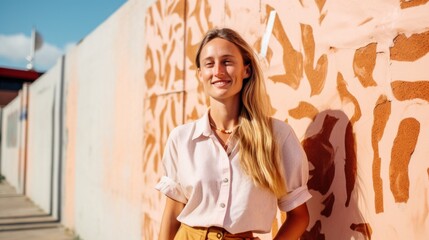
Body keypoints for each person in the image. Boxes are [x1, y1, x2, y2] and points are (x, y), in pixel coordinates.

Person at [155, 27, 311, 240]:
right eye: (209, 64)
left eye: (227, 62)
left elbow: (299, 216)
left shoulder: (277, 137)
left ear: (246, 70)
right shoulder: (181, 139)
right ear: (200, 74)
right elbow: (172, 214)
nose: (218, 71)